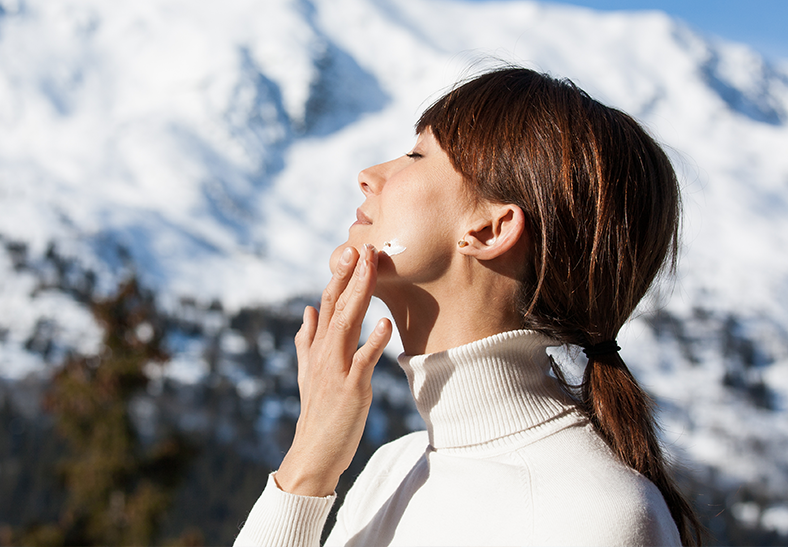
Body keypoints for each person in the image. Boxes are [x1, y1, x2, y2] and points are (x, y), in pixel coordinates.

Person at [233, 67, 703, 546]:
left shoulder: (592, 517)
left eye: (417, 156)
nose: (369, 176)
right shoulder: (391, 469)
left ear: (490, 229)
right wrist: (307, 464)